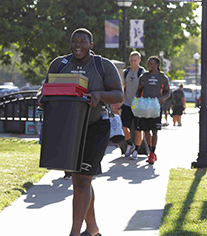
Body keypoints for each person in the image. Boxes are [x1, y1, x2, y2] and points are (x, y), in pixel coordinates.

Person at [38, 28, 123, 236]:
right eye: (74, 41)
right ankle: (92, 230)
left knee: (83, 180)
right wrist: (40, 97)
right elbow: (46, 88)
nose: (78, 45)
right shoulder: (60, 64)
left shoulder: (102, 66)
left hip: (95, 128)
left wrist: (99, 94)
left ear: (90, 45)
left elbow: (118, 95)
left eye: (83, 42)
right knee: (80, 180)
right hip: (68, 128)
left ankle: (74, 233)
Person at [135, 56, 170, 164]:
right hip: (145, 107)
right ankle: (150, 151)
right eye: (148, 64)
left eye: (151, 64)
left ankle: (152, 153)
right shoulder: (144, 76)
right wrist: (138, 100)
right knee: (146, 131)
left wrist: (162, 99)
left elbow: (168, 92)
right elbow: (138, 91)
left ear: (157, 65)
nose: (148, 66)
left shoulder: (162, 77)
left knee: (154, 130)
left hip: (155, 107)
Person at [121, 51, 145, 160]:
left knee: (138, 129)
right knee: (124, 126)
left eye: (135, 60)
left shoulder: (141, 72)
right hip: (127, 103)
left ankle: (137, 150)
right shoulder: (126, 72)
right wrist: (121, 100)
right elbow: (124, 87)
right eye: (131, 60)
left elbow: (145, 88)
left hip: (138, 105)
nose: (133, 62)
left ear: (139, 61)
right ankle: (130, 144)